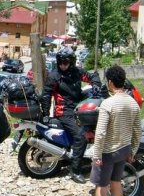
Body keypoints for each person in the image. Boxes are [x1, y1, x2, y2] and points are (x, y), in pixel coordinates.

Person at [87, 65, 142, 196]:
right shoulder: (133, 103)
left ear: (110, 82)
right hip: (124, 149)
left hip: (108, 152)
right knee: (116, 183)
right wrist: (133, 150)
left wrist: (97, 155)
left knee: (101, 186)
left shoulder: (108, 104)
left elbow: (101, 133)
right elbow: (137, 130)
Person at [41, 47, 102, 184]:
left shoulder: (77, 72)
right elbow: (46, 95)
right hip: (65, 112)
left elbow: (92, 75)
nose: (63, 65)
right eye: (61, 62)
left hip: (78, 106)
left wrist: (96, 85)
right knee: (81, 137)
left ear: (71, 62)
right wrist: (45, 114)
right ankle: (75, 171)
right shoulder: (54, 76)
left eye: (66, 62)